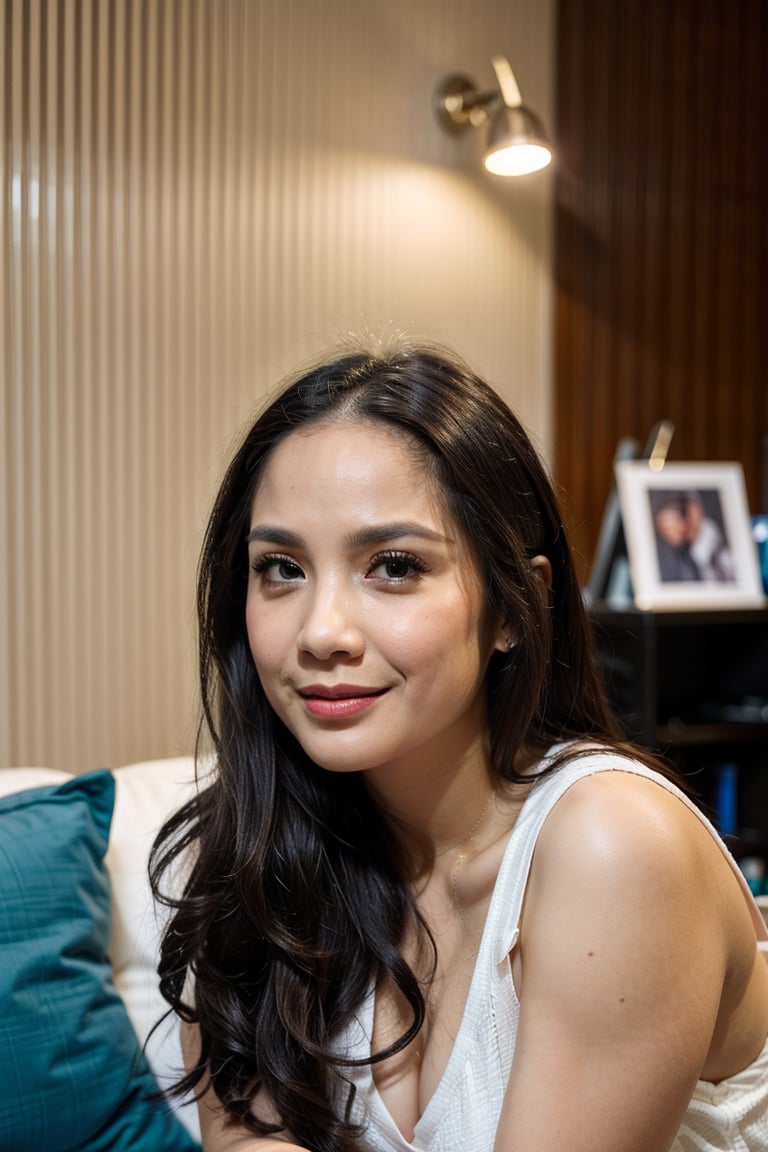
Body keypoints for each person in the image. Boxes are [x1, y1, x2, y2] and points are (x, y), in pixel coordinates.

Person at [151, 343, 768, 1152]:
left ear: (517, 609)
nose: (322, 632)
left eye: (395, 566)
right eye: (281, 568)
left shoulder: (613, 846)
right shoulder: (257, 859)